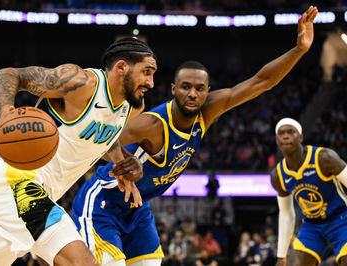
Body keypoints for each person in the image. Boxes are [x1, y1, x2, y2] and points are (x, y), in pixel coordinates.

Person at [72, 6, 318, 266]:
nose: (192, 94)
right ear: (173, 89)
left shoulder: (208, 111)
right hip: (104, 201)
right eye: (186, 87)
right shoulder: (153, 124)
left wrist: (299, 50)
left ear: (207, 91)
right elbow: (101, 137)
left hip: (137, 207)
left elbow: (261, 81)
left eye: (199, 89)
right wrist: (124, 162)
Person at [0, 37, 157, 266]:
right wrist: (6, 114)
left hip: (18, 191)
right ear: (121, 67)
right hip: (19, 184)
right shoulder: (80, 82)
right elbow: (8, 75)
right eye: (146, 72)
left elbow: (102, 138)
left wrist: (122, 164)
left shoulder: (133, 107)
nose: (151, 82)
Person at [270, 117, 347, 266]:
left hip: (341, 219)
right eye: (281, 133)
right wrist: (281, 255)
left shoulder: (324, 158)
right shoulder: (277, 175)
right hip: (312, 226)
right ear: (277, 140)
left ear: (300, 137)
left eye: (290, 132)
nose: (285, 136)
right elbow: (286, 214)